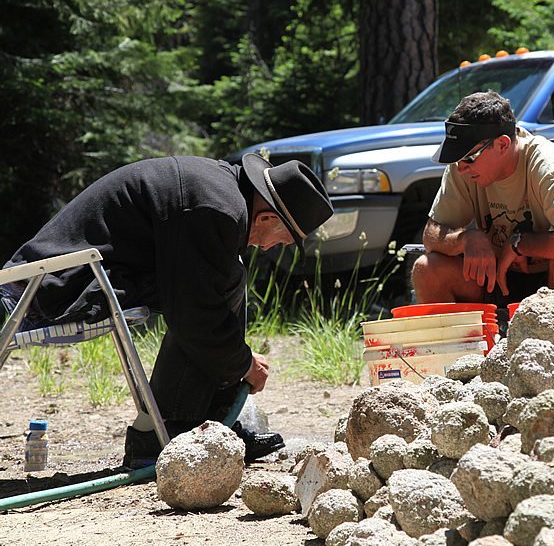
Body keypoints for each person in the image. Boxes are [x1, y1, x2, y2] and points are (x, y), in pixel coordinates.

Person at [1, 153, 334, 468]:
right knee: (213, 292)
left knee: (224, 278)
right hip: (49, 291)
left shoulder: (221, 192)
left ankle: (204, 426)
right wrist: (244, 364)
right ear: (267, 218)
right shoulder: (216, 208)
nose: (268, 247)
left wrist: (237, 361)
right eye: (281, 240)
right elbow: (195, 314)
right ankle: (170, 434)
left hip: (84, 276)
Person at [411, 90, 554, 308]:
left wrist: (521, 244)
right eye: (456, 160)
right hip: (493, 279)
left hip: (547, 283)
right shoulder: (462, 168)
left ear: (502, 144)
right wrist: (466, 239)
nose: (461, 168)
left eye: (468, 158)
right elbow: (431, 235)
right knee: (427, 268)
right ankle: (462, 341)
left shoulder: (547, 164)